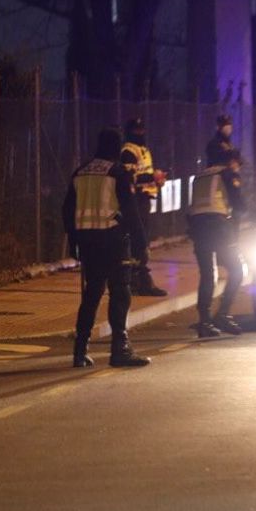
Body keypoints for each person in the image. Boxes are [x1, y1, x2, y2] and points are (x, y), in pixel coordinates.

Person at [61, 126, 150, 368]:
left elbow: (67, 210)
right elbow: (131, 212)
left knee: (92, 294)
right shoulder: (117, 172)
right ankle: (119, 349)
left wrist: (74, 241)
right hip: (113, 239)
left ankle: (80, 350)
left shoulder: (80, 172)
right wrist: (142, 245)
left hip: (88, 242)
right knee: (120, 291)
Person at [186, 145, 246, 338]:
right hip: (219, 226)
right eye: (238, 165)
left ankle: (204, 322)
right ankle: (223, 314)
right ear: (231, 162)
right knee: (237, 270)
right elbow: (239, 204)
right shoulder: (227, 174)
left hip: (198, 227)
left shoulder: (199, 176)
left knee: (207, 274)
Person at [120, 117, 170, 297]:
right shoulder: (128, 150)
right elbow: (129, 177)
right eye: (137, 130)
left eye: (142, 130)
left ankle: (137, 279)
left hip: (144, 199)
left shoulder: (144, 150)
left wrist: (156, 181)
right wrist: (152, 178)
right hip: (135, 200)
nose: (141, 133)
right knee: (137, 240)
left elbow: (144, 173)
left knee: (142, 240)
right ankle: (137, 280)